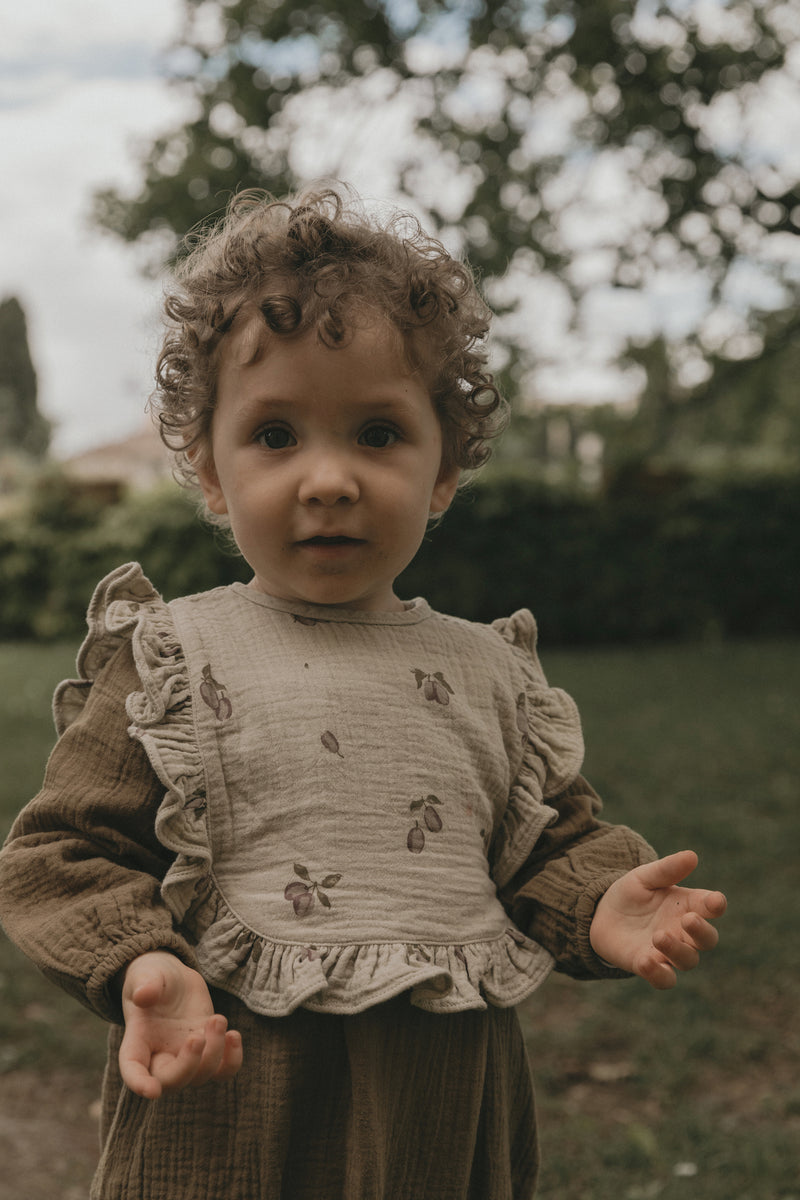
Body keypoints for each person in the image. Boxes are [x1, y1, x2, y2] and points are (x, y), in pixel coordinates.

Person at [0, 186, 726, 1200]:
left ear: (442, 471)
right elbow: (63, 851)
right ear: (209, 470)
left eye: (378, 435)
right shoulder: (172, 659)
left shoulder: (485, 672)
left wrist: (601, 900)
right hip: (232, 1083)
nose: (329, 478)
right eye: (276, 435)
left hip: (437, 1091)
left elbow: (543, 843)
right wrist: (140, 964)